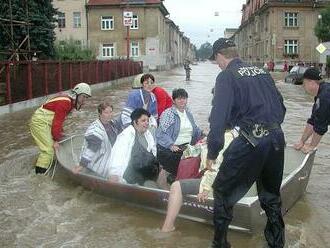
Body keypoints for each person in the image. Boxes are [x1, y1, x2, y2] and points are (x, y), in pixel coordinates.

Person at [207, 38, 286, 247]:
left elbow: (217, 121)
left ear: (220, 56)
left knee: (222, 192)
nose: (217, 64)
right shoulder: (262, 72)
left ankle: (220, 244)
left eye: (216, 60)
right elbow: (281, 108)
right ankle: (277, 243)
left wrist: (212, 154)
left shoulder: (226, 76)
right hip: (277, 139)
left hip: (252, 141)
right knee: (271, 197)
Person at [161, 131, 234, 232]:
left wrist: (205, 188)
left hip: (218, 181)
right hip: (226, 179)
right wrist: (205, 142)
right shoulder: (230, 136)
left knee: (176, 186)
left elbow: (214, 169)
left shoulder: (221, 139)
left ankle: (167, 227)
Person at [30, 83, 91, 174]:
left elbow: (58, 121)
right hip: (40, 123)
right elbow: (57, 122)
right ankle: (39, 175)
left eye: (86, 98)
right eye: (83, 96)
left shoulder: (69, 102)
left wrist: (59, 136)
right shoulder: (65, 103)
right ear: (77, 94)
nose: (84, 100)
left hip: (45, 122)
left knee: (57, 142)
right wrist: (55, 140)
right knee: (48, 150)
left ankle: (38, 165)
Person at [156, 88, 204, 184]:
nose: (182, 101)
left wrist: (204, 136)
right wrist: (170, 145)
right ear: (174, 100)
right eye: (179, 99)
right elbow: (161, 132)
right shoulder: (168, 113)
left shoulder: (188, 113)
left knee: (204, 153)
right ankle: (176, 180)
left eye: (184, 98)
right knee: (182, 158)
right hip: (173, 147)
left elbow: (195, 129)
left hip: (187, 146)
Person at [108, 108, 158, 186]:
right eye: (143, 121)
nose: (147, 123)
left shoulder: (148, 135)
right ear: (135, 122)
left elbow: (154, 153)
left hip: (146, 171)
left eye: (148, 120)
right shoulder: (126, 135)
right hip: (131, 174)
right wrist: (114, 173)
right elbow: (118, 155)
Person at [73, 101, 120, 177]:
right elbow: (91, 149)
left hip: (109, 156)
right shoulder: (95, 130)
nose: (109, 115)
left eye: (111, 112)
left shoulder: (112, 124)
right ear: (100, 114)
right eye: (106, 112)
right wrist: (81, 165)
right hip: (97, 164)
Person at [294, 67, 330, 154]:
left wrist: (312, 146)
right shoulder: (321, 93)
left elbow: (321, 126)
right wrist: (302, 141)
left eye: (304, 83)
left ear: (312, 82)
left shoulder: (324, 97)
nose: (303, 87)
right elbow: (313, 121)